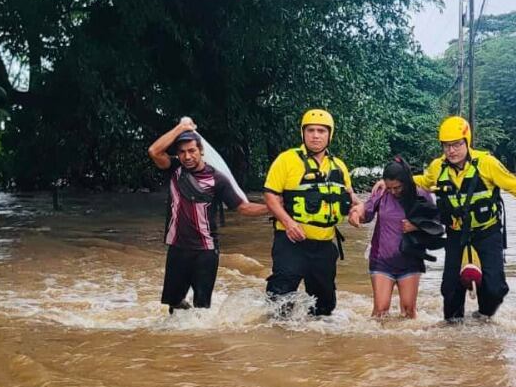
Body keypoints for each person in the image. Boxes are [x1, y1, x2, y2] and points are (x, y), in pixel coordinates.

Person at [414, 116, 516, 322]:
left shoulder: (487, 163)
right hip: (456, 235)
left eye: (456, 145)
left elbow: (515, 186)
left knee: (495, 289)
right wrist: (397, 181)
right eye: (446, 146)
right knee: (450, 291)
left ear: (467, 142)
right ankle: (454, 335)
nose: (451, 151)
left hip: (487, 232)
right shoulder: (438, 167)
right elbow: (425, 182)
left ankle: (483, 317)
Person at [148, 117, 268, 314]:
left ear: (201, 151)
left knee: (202, 308)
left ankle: (200, 343)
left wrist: (273, 208)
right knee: (174, 304)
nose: (187, 156)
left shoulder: (217, 179)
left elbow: (243, 208)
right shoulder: (174, 169)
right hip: (177, 247)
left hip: (205, 251)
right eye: (182, 152)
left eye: (192, 151)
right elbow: (154, 151)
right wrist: (181, 127)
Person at [262, 109, 361, 316]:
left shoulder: (339, 166)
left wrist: (356, 210)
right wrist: (289, 223)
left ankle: (319, 346)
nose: (316, 135)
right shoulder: (286, 160)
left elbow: (352, 198)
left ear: (329, 135)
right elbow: (270, 196)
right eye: (311, 130)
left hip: (324, 246)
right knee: (280, 300)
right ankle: (277, 341)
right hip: (291, 242)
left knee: (324, 307)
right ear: (303, 133)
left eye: (321, 131)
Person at [349, 158, 442, 319]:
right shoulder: (382, 192)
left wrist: (416, 226)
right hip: (382, 260)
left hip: (411, 259)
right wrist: (356, 214)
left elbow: (438, 223)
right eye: (390, 187)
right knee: (380, 310)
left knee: (408, 311)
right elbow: (367, 211)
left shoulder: (422, 195)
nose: (393, 192)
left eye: (397, 187)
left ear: (406, 182)